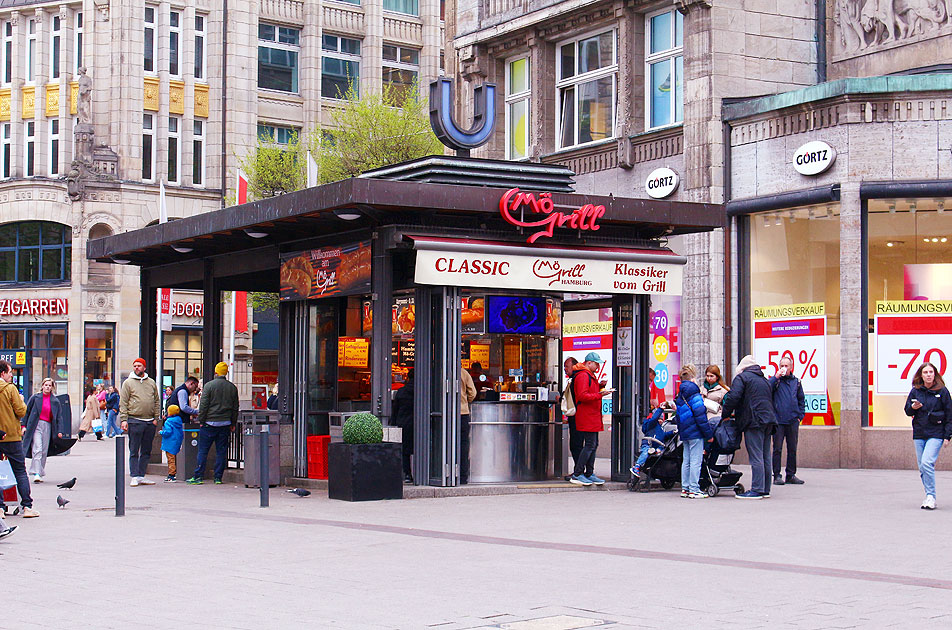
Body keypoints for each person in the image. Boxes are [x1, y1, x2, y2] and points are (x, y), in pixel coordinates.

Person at [721, 355, 778, 500]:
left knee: (756, 455)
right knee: (765, 455)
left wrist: (725, 414)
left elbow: (734, 397)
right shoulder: (763, 379)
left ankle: (757, 489)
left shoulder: (742, 378)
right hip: (768, 420)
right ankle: (765, 489)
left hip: (753, 420)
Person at [904, 362, 952, 510]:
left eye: (931, 372)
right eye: (925, 372)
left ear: (935, 374)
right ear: (921, 375)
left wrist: (947, 435)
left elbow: (950, 415)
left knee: (926, 463)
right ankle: (928, 496)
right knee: (922, 467)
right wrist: (913, 407)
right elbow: (907, 411)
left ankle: (931, 496)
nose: (929, 375)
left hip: (936, 433)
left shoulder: (942, 391)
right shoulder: (915, 391)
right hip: (919, 433)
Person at [187, 362, 239, 485]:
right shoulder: (232, 388)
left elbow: (204, 405)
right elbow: (235, 407)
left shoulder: (209, 386)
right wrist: (233, 423)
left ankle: (198, 476)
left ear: (216, 372)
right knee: (221, 451)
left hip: (209, 423)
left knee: (203, 450)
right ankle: (218, 477)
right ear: (226, 373)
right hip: (225, 423)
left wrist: (202, 420)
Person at [568, 352, 613, 486]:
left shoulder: (588, 375)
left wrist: (599, 387)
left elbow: (587, 393)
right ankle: (578, 473)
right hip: (587, 415)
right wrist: (600, 394)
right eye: (596, 363)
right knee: (590, 444)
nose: (598, 366)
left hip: (591, 415)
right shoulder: (583, 376)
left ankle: (588, 473)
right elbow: (582, 396)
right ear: (589, 363)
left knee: (593, 444)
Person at [0, 360, 37, 519]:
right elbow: (21, 411)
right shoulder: (10, 389)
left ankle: (0, 508)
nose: (11, 375)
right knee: (20, 471)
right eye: (10, 372)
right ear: (2, 373)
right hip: (12, 437)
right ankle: (27, 506)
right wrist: (21, 399)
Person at [672, 364, 713, 499]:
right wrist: (708, 434)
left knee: (687, 460)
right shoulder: (694, 392)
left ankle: (685, 488)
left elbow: (678, 415)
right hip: (695, 431)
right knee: (696, 460)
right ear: (693, 378)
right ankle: (694, 489)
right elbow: (700, 414)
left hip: (685, 431)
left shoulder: (680, 394)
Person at [119, 358, 161, 487]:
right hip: (135, 420)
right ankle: (134, 475)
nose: (137, 368)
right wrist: (124, 419)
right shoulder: (128, 383)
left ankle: (141, 475)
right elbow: (123, 402)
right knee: (134, 449)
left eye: (139, 366)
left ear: (144, 367)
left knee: (146, 450)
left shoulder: (151, 383)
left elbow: (156, 400)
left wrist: (156, 417)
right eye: (135, 366)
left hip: (149, 421)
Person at [23, 378, 69, 483]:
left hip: (48, 426)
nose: (47, 387)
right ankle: (36, 473)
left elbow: (59, 417)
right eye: (46, 385)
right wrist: (23, 425)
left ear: (52, 387)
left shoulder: (55, 401)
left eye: (49, 385)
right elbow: (27, 411)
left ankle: (40, 471)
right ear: (42, 386)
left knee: (44, 450)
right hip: (36, 425)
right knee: (37, 448)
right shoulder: (35, 398)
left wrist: (60, 430)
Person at [770, 356, 806, 486]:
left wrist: (799, 416)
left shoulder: (796, 382)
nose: (784, 368)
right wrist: (776, 377)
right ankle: (776, 475)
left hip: (792, 420)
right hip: (779, 421)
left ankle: (791, 474)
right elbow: (767, 389)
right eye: (782, 366)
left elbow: (801, 400)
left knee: (792, 448)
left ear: (791, 367)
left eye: (786, 366)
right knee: (777, 449)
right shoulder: (776, 381)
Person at [629, 406, 675, 479]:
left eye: (661, 419)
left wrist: (673, 432)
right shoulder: (651, 424)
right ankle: (637, 466)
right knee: (646, 452)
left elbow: (664, 435)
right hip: (648, 444)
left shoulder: (660, 429)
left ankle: (647, 468)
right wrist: (660, 409)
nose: (660, 421)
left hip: (656, 447)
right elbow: (654, 419)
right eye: (659, 419)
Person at [392, 369, 415, 483]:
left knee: (405, 450)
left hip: (403, 422)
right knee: (419, 448)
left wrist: (393, 423)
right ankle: (421, 473)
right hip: (418, 423)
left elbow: (395, 409)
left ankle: (407, 474)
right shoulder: (423, 391)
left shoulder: (401, 391)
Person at [562, 357, 581, 481]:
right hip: (574, 417)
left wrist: (560, 399)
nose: (565, 369)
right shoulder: (572, 379)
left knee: (576, 445)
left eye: (567, 367)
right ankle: (579, 470)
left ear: (574, 366)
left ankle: (579, 471)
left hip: (577, 417)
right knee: (576, 445)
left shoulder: (576, 379)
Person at [459, 366, 478, 484]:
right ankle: (462, 476)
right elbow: (473, 392)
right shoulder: (464, 373)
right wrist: (466, 401)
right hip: (462, 413)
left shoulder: (439, 370)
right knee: (463, 445)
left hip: (443, 414)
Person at [158, 404, 185, 482]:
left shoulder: (168, 422)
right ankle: (174, 473)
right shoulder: (179, 420)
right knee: (174, 458)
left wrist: (162, 432)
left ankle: (171, 475)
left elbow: (168, 432)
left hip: (169, 443)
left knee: (170, 459)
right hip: (176, 442)